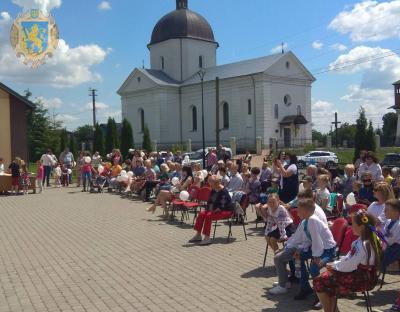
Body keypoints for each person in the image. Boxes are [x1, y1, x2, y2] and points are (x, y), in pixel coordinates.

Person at [313, 210, 381, 312]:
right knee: (326, 279)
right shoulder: (366, 239)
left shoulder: (362, 244)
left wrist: (334, 267)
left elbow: (350, 264)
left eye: (352, 224)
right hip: (365, 276)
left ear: (361, 227)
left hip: (360, 279)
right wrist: (335, 264)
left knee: (319, 280)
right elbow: (349, 259)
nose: (351, 226)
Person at [269, 189, 328, 296]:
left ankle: (285, 286)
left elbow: (315, 239)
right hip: (306, 244)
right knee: (282, 254)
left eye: (300, 202)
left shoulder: (314, 215)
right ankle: (289, 280)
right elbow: (301, 232)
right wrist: (291, 243)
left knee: (279, 258)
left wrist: (298, 248)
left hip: (315, 247)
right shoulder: (308, 212)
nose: (298, 206)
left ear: (308, 201)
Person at [294, 198, 336, 301]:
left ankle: (322, 295)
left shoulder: (313, 220)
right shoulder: (305, 221)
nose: (297, 212)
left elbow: (317, 240)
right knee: (299, 258)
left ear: (306, 211)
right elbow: (303, 238)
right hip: (317, 248)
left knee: (314, 267)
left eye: (299, 210)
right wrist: (299, 249)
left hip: (328, 250)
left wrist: (316, 257)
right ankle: (305, 288)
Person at [189, 175, 234, 245]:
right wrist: (210, 209)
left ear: (216, 183)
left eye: (211, 184)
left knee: (208, 216)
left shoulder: (223, 192)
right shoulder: (213, 190)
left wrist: (212, 211)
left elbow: (221, 206)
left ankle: (207, 238)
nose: (210, 185)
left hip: (225, 210)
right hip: (215, 209)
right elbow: (210, 201)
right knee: (201, 214)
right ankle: (198, 235)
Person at [381, 199, 400, 274]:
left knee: (379, 258)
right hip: (389, 245)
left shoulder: (398, 225)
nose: (384, 212)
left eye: (387, 210)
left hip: (395, 249)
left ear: (396, 212)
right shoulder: (389, 222)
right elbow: (384, 234)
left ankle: (393, 266)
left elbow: (389, 241)